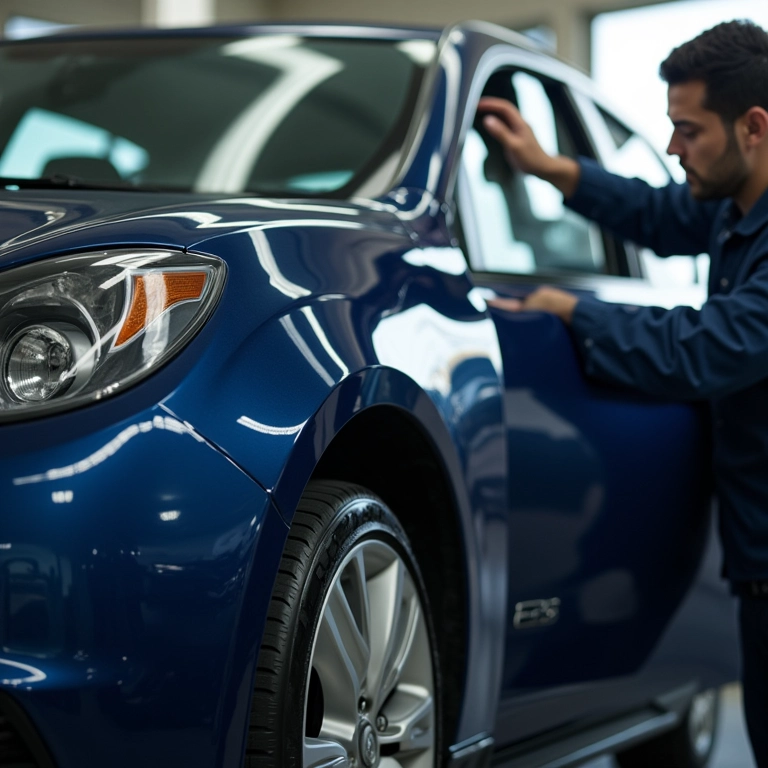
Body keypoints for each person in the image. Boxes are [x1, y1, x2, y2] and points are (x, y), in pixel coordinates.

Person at [477, 19, 768, 767]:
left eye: (688, 131)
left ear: (754, 127)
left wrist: (574, 309)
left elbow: (707, 348)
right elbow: (658, 213)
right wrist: (547, 166)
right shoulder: (737, 207)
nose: (674, 149)